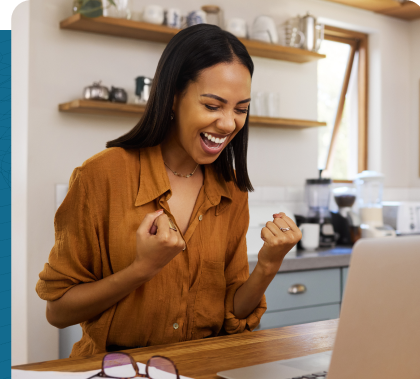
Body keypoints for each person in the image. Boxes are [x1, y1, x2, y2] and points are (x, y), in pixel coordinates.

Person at [36, 24, 302, 358]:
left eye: (240, 109)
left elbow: (233, 312)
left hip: (204, 374)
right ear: (174, 97)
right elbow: (58, 312)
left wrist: (268, 264)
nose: (228, 123)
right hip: (116, 376)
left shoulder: (231, 188)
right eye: (212, 105)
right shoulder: (100, 176)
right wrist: (141, 269)